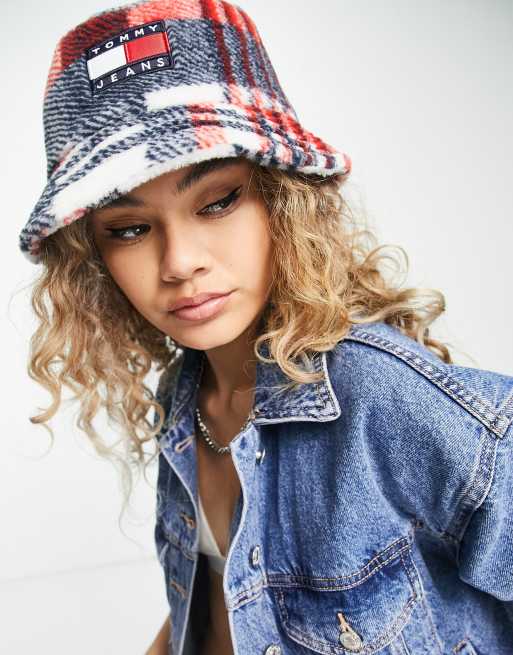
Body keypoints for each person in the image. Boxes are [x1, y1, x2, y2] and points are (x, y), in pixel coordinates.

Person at [18, 1, 513, 654]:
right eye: (130, 228)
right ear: (93, 259)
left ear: (284, 198)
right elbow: (215, 600)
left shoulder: (382, 398)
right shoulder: (186, 398)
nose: (180, 262)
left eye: (218, 201)